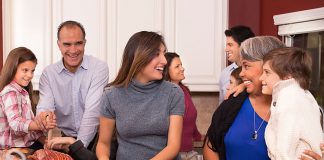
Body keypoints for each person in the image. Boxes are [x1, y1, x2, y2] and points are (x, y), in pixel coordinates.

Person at [96, 31, 185, 160]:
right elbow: (103, 143)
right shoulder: (111, 96)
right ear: (139, 57)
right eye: (156, 54)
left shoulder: (173, 93)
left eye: (163, 53)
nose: (164, 60)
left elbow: (173, 146)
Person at [203, 36, 285, 160]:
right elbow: (211, 146)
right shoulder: (233, 102)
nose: (241, 73)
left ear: (269, 66)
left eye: (246, 66)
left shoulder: (289, 107)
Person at [36, 20, 109, 149]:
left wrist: (77, 149)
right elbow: (45, 108)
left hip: (92, 139)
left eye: (78, 43)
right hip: (60, 139)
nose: (73, 50)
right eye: (67, 44)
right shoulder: (48, 74)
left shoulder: (99, 68)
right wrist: (45, 118)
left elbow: (92, 113)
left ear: (85, 43)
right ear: (59, 45)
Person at [259, 47, 322, 159]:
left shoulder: (289, 97)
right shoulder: (302, 95)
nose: (261, 78)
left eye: (267, 72)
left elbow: (285, 151)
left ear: (288, 77)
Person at [0, 47, 56, 149]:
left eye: (32, 71)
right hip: (13, 150)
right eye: (25, 70)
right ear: (13, 68)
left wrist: (46, 142)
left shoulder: (22, 92)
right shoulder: (10, 92)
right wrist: (39, 125)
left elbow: (30, 132)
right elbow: (16, 123)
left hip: (26, 146)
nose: (30, 75)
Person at [163, 52, 202, 160]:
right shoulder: (164, 94)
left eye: (181, 65)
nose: (182, 68)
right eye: (177, 66)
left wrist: (199, 137)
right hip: (174, 155)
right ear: (167, 71)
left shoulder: (184, 90)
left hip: (189, 152)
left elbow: (191, 121)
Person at [218, 25, 255, 104]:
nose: (226, 49)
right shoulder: (224, 74)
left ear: (244, 46)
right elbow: (222, 106)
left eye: (230, 45)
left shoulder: (259, 71)